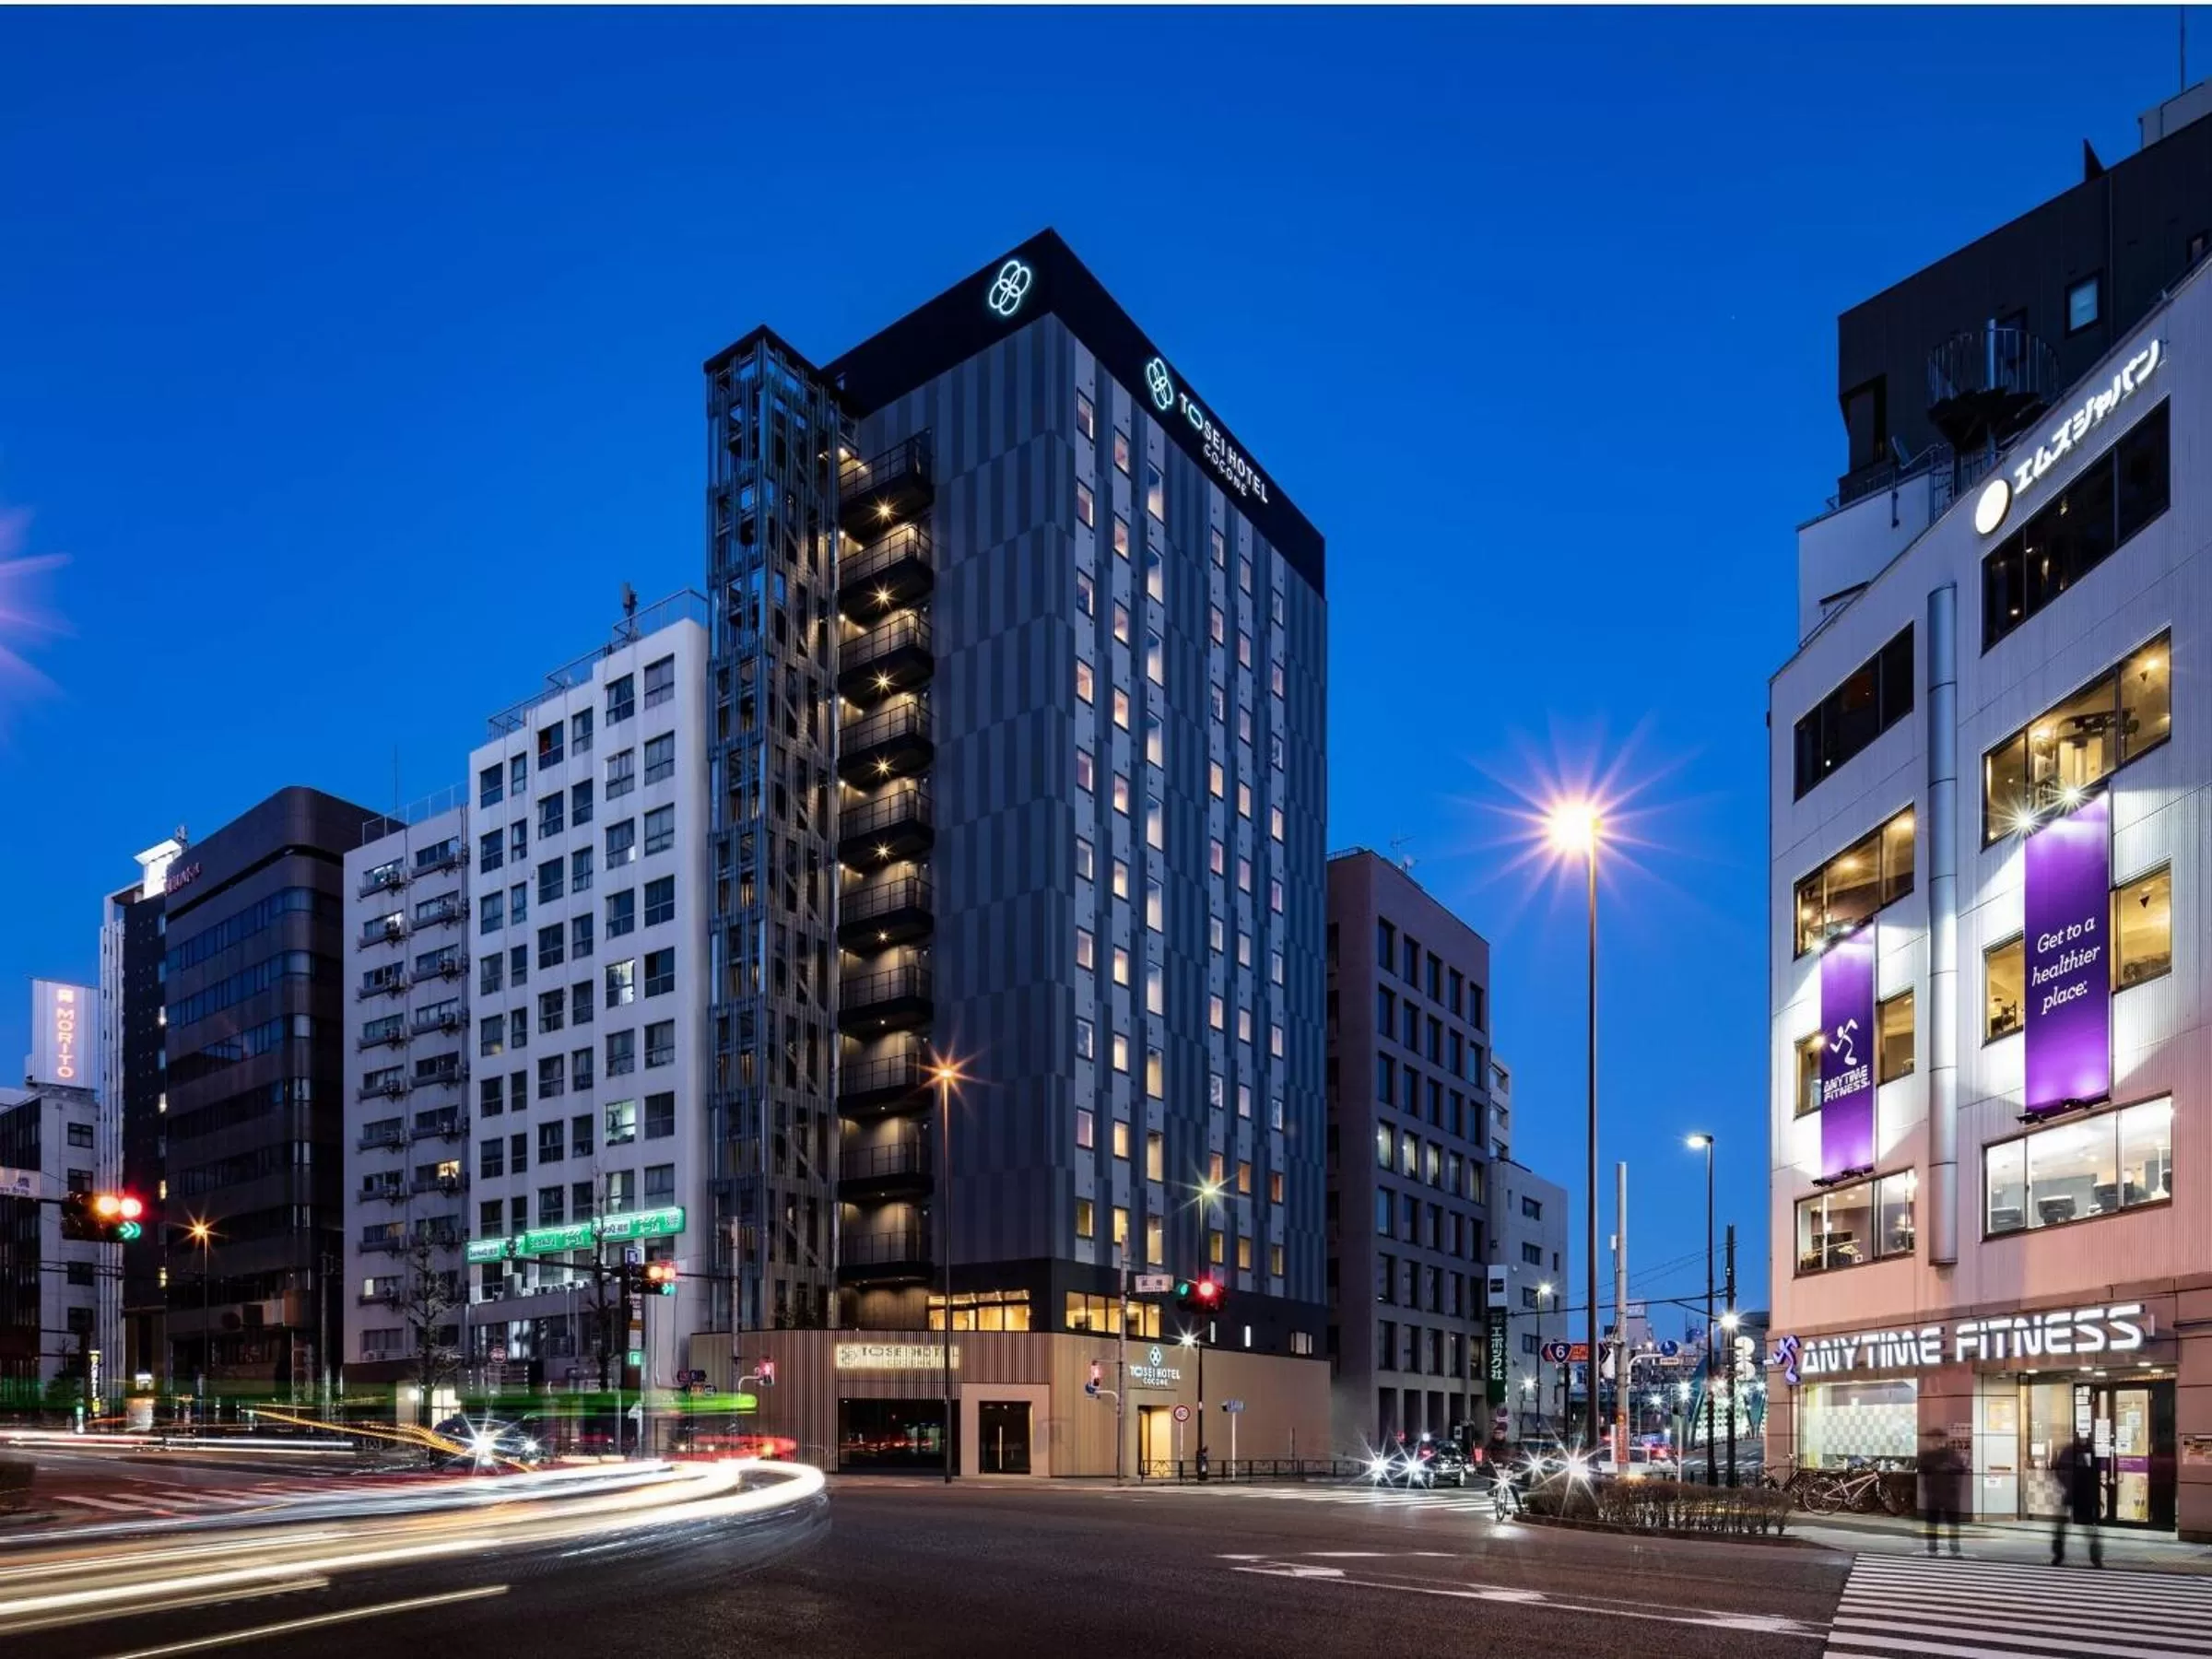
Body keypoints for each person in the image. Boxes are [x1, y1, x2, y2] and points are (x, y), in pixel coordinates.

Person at [2051, 1435, 2102, 1567]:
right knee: (2088, 1527)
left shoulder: (2070, 1451)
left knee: (2062, 1525)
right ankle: (2095, 1557)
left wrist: (2066, 1484)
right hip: (2082, 1493)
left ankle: (2058, 1554)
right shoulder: (2087, 1451)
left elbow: (2058, 1470)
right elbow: (2093, 1475)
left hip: (2074, 1492)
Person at [1917, 1429, 1965, 1556]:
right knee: (1933, 1522)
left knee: (1952, 1522)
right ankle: (1932, 1547)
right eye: (1932, 1439)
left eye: (1937, 1438)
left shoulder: (1950, 1454)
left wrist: (1948, 1468)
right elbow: (1921, 1468)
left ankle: (1954, 1547)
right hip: (1934, 1494)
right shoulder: (1926, 1455)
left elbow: (1961, 1468)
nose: (1935, 1441)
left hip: (1949, 1494)